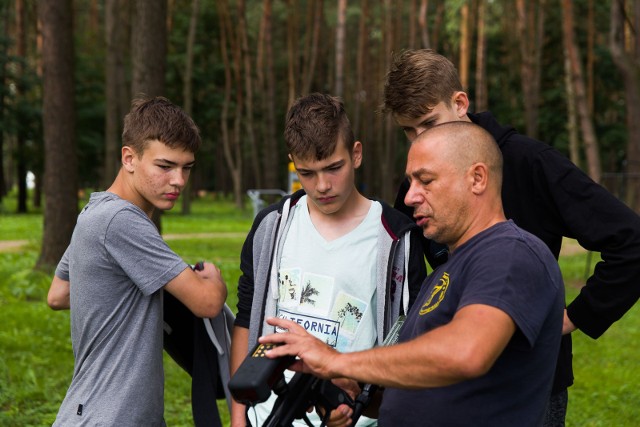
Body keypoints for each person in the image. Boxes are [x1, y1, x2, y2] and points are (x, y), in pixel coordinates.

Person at [383, 48, 640, 426]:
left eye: (428, 122)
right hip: (451, 383)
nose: (420, 139)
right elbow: (408, 277)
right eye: (409, 130)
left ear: (460, 103)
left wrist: (572, 317)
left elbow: (631, 241)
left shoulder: (530, 162)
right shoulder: (417, 183)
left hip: (530, 384)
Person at [261, 121, 566, 427]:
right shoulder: (444, 274)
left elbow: (467, 352)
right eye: (410, 182)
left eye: (425, 180)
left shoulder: (510, 252)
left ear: (477, 178)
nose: (409, 197)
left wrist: (336, 360)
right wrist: (355, 391)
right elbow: (418, 387)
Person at [230, 93, 427, 427]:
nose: (322, 186)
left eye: (334, 168)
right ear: (293, 162)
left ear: (356, 154)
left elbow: (407, 343)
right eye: (307, 173)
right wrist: (239, 419)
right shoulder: (272, 226)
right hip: (267, 417)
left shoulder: (396, 238)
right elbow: (247, 319)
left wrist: (360, 406)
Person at [46, 96, 228, 426]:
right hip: (113, 417)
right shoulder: (122, 222)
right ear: (129, 158)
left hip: (93, 412)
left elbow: (57, 294)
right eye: (165, 166)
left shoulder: (95, 212)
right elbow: (207, 303)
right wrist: (213, 278)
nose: (179, 181)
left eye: (186, 167)